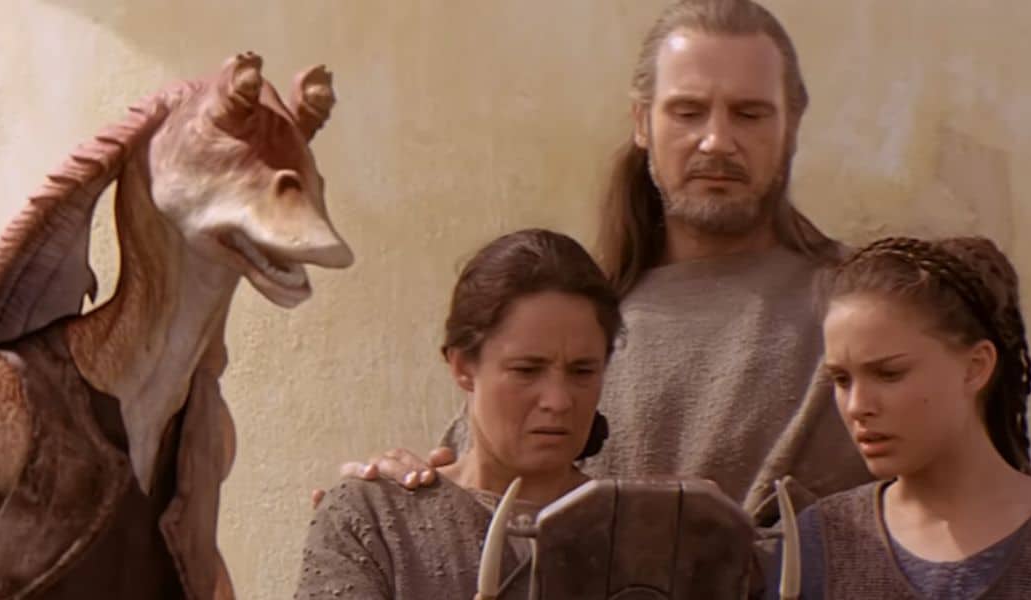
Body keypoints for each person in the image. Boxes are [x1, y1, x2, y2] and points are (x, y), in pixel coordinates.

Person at [328, 0, 870, 525]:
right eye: (687, 112)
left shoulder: (861, 309)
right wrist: (393, 504)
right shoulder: (568, 319)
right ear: (642, 121)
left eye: (749, 114)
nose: (716, 141)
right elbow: (475, 509)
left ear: (791, 124)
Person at [295, 229, 622, 599]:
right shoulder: (373, 519)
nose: (558, 401)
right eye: (527, 370)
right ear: (463, 366)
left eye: (582, 371)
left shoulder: (638, 535)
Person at [765, 236, 1031, 599]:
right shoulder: (819, 545)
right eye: (842, 380)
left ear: (975, 367)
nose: (857, 405)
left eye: (889, 374)